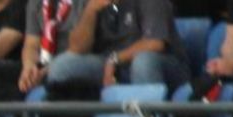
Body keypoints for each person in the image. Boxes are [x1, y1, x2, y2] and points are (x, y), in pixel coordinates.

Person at [47, 0, 189, 91]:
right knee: (62, 67)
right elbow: (76, 49)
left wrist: (114, 59)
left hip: (161, 66)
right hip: (111, 68)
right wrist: (90, 10)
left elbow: (154, 44)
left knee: (143, 62)